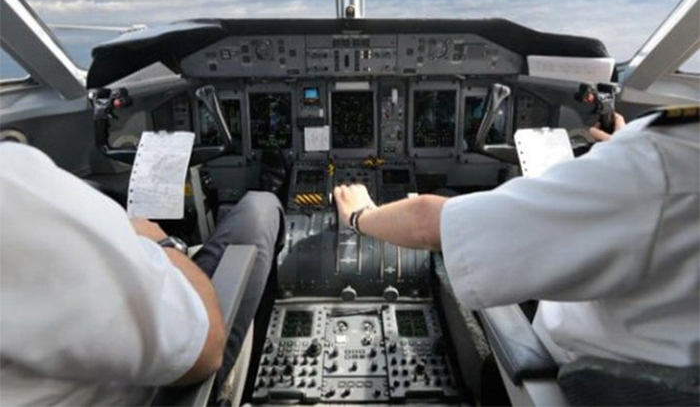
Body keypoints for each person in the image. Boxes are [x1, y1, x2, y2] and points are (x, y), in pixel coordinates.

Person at [334, 108, 699, 368]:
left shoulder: (662, 154)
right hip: (654, 366)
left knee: (449, 219)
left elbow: (426, 225)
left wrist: (359, 215)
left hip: (568, 367)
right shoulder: (666, 156)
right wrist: (624, 155)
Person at [0, 142, 283, 405]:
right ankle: (247, 386)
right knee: (260, 209)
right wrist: (162, 244)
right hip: (168, 391)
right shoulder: (13, 184)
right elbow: (207, 345)